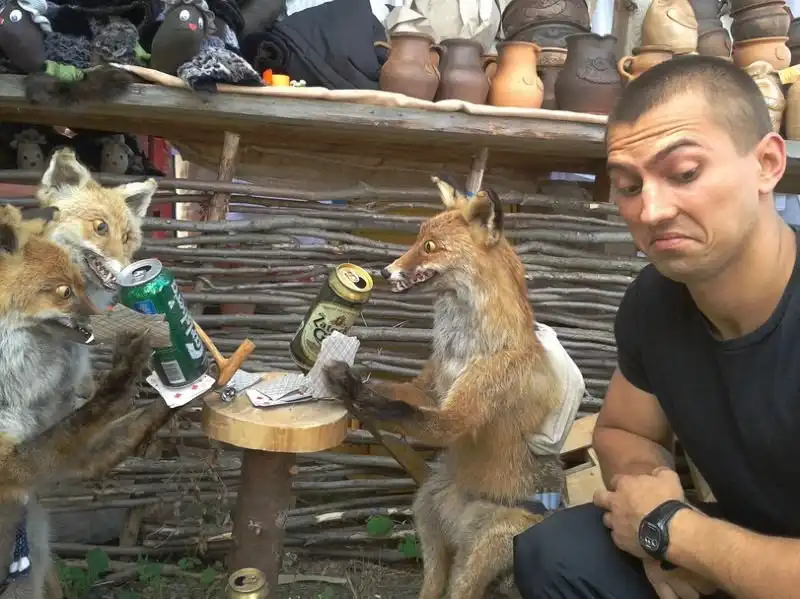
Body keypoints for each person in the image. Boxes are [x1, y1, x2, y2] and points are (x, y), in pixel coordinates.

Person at [512, 53, 800, 599]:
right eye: (628, 185)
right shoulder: (657, 302)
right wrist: (654, 506)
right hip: (746, 546)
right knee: (558, 553)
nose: (651, 210)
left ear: (767, 163)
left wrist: (682, 536)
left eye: (684, 174)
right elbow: (625, 431)